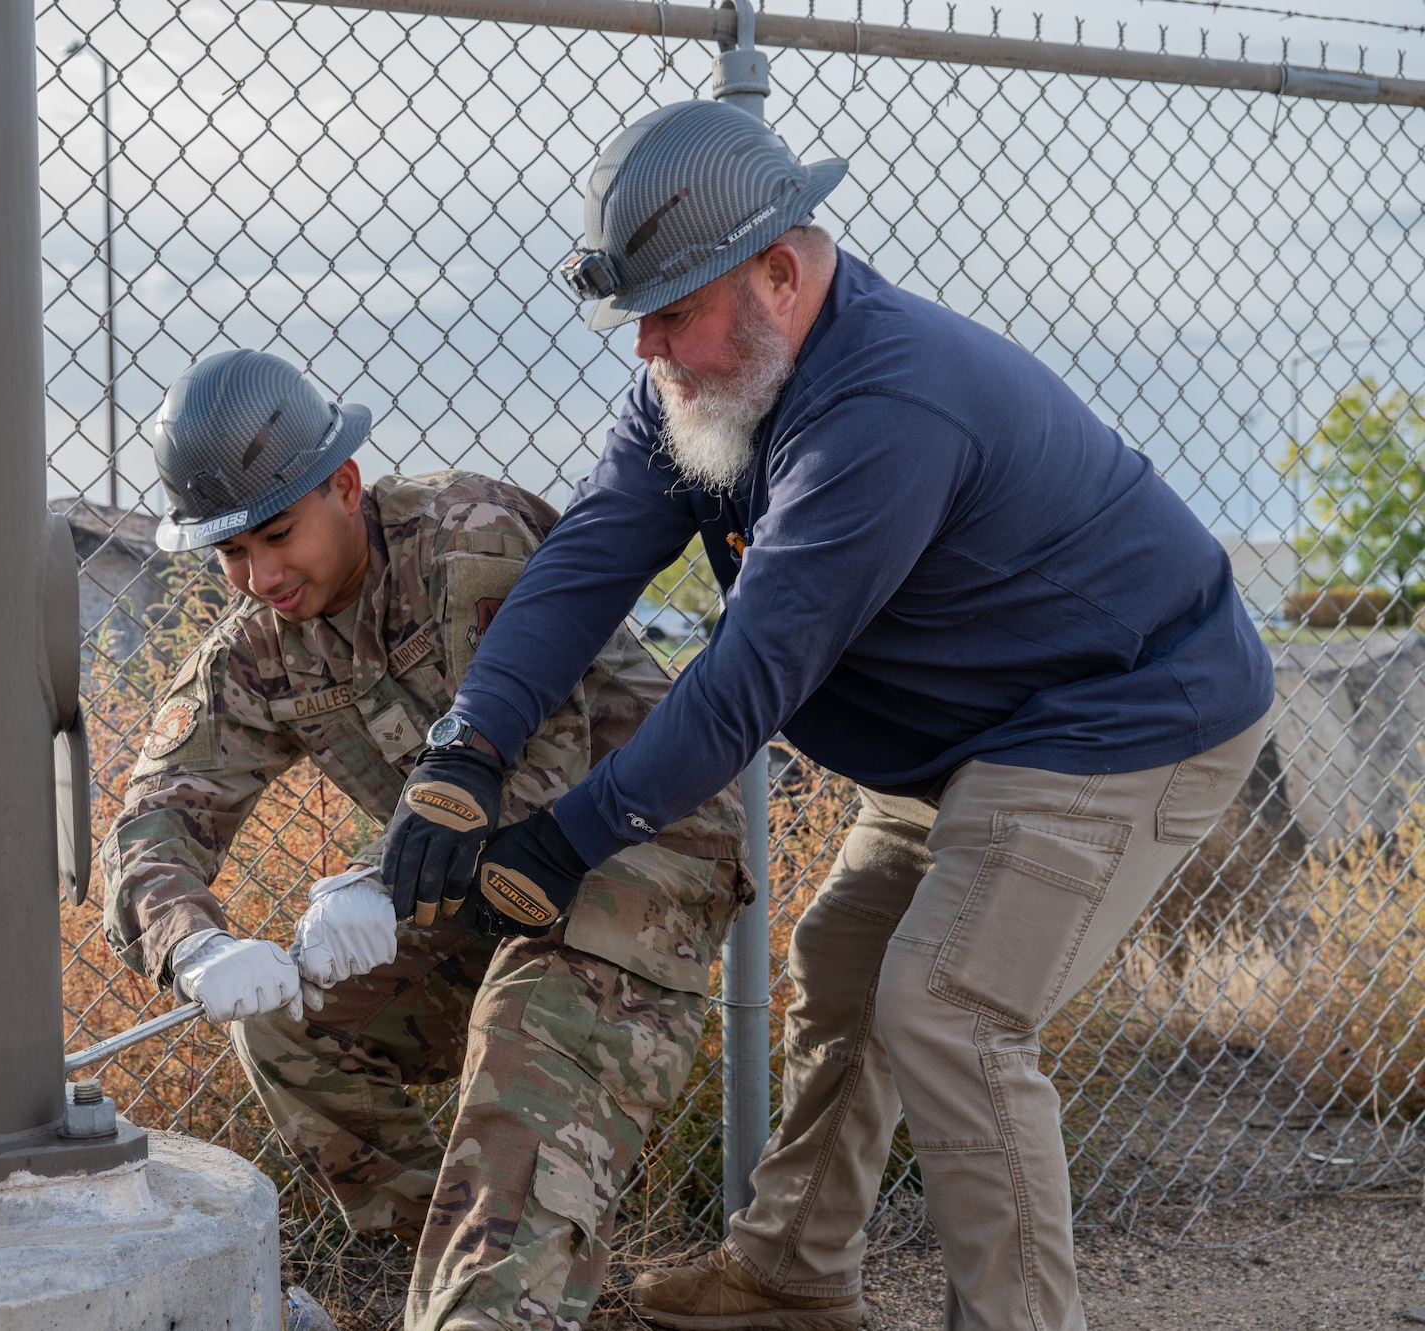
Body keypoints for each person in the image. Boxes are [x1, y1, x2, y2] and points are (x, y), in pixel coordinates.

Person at [381, 100, 1274, 1331]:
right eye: (637, 314)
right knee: (846, 968)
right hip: (964, 737)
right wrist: (466, 746)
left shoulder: (882, 412)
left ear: (780, 273)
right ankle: (790, 1272)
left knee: (946, 1007)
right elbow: (591, 554)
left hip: (1117, 718)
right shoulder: (703, 378)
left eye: (672, 309)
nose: (647, 344)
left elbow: (748, 677)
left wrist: (564, 838)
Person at [101, 348, 749, 1331]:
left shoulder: (465, 537)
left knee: (525, 1036)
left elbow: (540, 767)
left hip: (636, 854)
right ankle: (477, 1286)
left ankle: (495, 1291)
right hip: (466, 883)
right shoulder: (257, 645)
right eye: (228, 553)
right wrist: (191, 940)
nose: (257, 575)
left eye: (275, 534)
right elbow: (151, 820)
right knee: (282, 1013)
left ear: (345, 484)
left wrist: (373, 882)